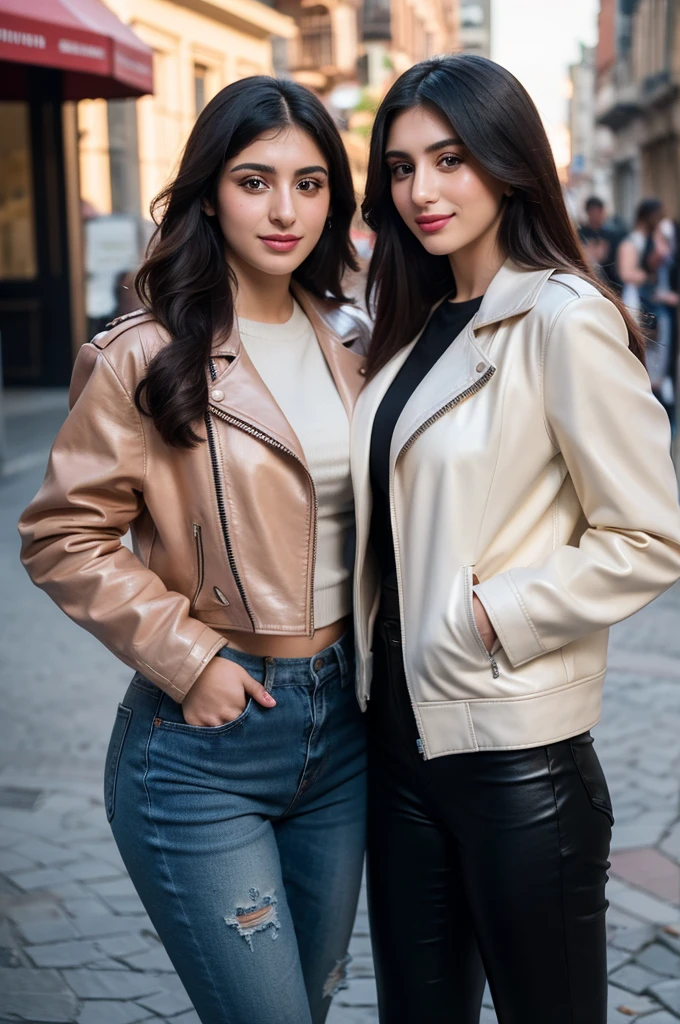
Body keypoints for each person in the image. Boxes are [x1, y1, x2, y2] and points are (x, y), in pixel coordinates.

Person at [18, 76, 370, 1024]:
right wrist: (189, 656)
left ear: (336, 194)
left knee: (316, 999)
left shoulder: (358, 340)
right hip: (203, 741)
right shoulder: (144, 350)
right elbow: (61, 534)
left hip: (345, 727)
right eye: (255, 181)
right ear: (211, 189)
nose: (285, 209)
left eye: (309, 182)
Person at [351, 54, 680, 1024]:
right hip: (393, 747)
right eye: (402, 167)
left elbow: (648, 533)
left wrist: (488, 615)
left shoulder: (560, 318)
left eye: (448, 159)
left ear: (505, 162)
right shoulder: (410, 327)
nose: (421, 190)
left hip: (512, 763)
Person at [578, 195, 624, 293]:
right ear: (588, 212)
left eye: (598, 212)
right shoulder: (580, 234)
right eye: (593, 212)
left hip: (611, 282)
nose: (596, 215)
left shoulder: (612, 234)